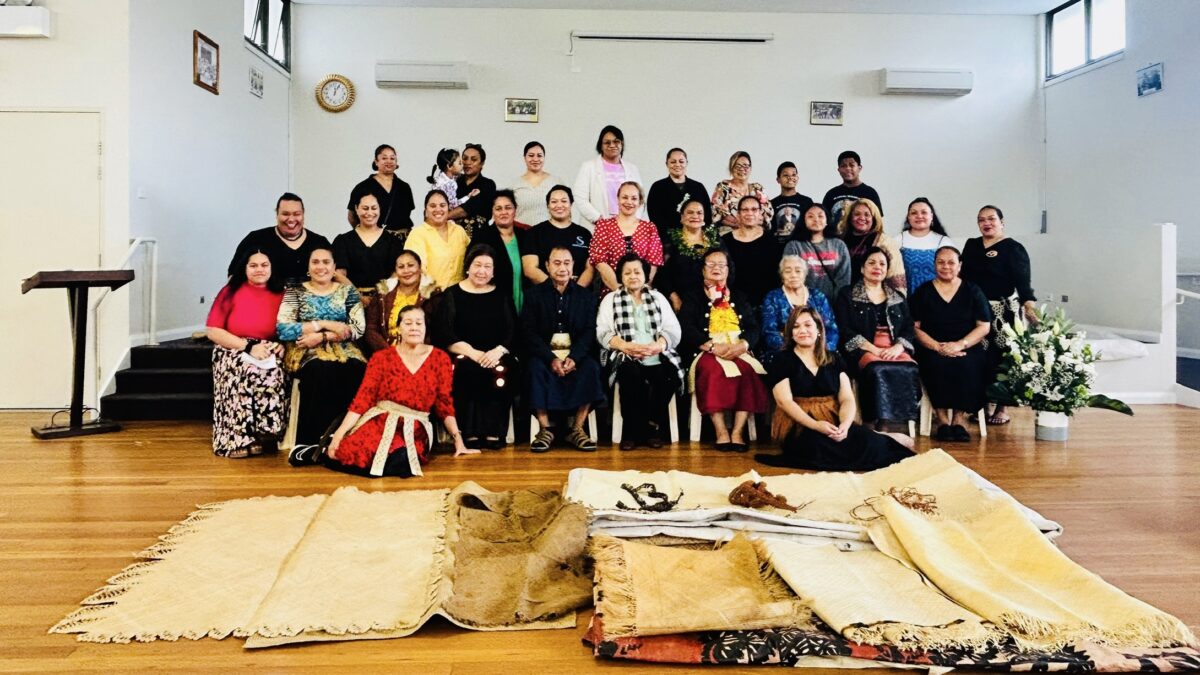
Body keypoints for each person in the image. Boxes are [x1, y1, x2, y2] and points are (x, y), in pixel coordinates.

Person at [324, 305, 479, 478]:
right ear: (399, 328)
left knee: (401, 459)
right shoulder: (381, 358)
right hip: (379, 420)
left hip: (415, 425)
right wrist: (339, 434)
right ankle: (315, 451)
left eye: (419, 323)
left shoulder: (439, 358)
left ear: (425, 328)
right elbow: (362, 399)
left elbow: (444, 403)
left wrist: (458, 440)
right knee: (346, 453)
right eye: (408, 323)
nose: (414, 327)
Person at [755, 307, 913, 471]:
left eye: (808, 325)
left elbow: (847, 398)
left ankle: (882, 438)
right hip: (799, 423)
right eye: (796, 326)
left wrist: (845, 424)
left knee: (862, 443)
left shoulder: (834, 358)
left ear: (818, 329)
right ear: (790, 332)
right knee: (816, 449)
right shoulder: (782, 359)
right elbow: (784, 402)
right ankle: (878, 438)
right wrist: (816, 425)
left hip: (833, 416)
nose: (802, 330)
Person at [277, 247, 368, 465]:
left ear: (335, 267)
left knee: (357, 370)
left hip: (343, 348)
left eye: (326, 262)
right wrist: (325, 324)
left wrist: (322, 336)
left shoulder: (347, 292)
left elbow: (356, 329)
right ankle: (309, 444)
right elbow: (283, 329)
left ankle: (344, 441)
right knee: (320, 371)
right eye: (315, 262)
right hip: (305, 349)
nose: (321, 267)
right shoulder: (295, 292)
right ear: (308, 268)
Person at [678, 249, 768, 451]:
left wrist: (742, 345)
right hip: (707, 349)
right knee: (712, 371)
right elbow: (686, 328)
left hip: (738, 347)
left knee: (749, 372)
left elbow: (754, 327)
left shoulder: (739, 295)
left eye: (721, 264)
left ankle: (737, 431)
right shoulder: (693, 297)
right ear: (702, 270)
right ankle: (721, 431)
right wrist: (711, 346)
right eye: (711, 264)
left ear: (729, 270)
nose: (716, 268)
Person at [432, 244, 518, 449]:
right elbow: (443, 332)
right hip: (463, 353)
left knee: (501, 372)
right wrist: (472, 352)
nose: (482, 271)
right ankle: (468, 432)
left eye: (488, 267)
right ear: (468, 267)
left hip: (496, 354)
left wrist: (498, 351)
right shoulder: (452, 294)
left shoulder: (502, 294)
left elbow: (513, 331)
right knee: (466, 371)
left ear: (494, 271)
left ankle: (494, 431)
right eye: (477, 265)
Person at [960, 204, 1037, 426]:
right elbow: (963, 277)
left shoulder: (1014, 248)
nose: (987, 223)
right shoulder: (972, 245)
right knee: (978, 356)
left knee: (1003, 358)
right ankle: (981, 406)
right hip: (975, 309)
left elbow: (1024, 283)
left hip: (1003, 312)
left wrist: (1029, 307)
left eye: (991, 219)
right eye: (982, 219)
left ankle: (1002, 407)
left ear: (1002, 222)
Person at [205, 249, 287, 458]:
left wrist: (282, 344)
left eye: (264, 265)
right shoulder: (229, 291)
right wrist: (247, 347)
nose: (259, 269)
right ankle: (236, 439)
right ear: (245, 268)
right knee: (241, 372)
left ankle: (265, 434)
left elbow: (290, 326)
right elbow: (213, 331)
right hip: (234, 345)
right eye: (253, 265)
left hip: (268, 346)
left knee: (272, 371)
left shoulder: (283, 293)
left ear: (271, 268)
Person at [597, 255, 684, 451]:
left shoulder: (658, 298)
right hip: (626, 354)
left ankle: (652, 425)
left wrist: (658, 345)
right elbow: (602, 332)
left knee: (669, 376)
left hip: (656, 353)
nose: (633, 276)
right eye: (627, 273)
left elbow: (674, 330)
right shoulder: (610, 299)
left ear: (646, 275)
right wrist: (624, 346)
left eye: (637, 272)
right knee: (630, 374)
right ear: (620, 276)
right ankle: (632, 429)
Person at [522, 247, 605, 453]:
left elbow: (589, 332)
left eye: (567, 263)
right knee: (533, 369)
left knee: (591, 369)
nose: (562, 268)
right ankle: (545, 430)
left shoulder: (586, 297)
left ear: (573, 266)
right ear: (547, 266)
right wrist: (550, 358)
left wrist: (574, 358)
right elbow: (529, 332)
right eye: (557, 263)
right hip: (545, 354)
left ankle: (577, 428)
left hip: (574, 355)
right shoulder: (533, 296)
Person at [911, 246, 993, 442]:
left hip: (966, 346)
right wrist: (937, 347)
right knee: (936, 364)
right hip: (932, 346)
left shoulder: (973, 290)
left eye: (951, 262)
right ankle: (942, 421)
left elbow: (984, 326)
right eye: (940, 262)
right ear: (934, 265)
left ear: (959, 265)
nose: (945, 266)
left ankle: (959, 420)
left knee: (969, 365)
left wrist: (959, 344)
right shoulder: (923, 291)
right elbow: (914, 327)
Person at [833, 247, 920, 430]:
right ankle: (871, 421)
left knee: (909, 368)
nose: (877, 267)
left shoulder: (897, 296)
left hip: (894, 347)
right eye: (871, 263)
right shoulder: (847, 294)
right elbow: (845, 328)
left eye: (882, 264)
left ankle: (888, 422)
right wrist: (874, 350)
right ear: (862, 268)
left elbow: (908, 327)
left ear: (887, 269)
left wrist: (898, 347)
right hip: (863, 348)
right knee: (876, 369)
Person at [228, 193, 331, 287]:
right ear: (277, 214)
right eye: (285, 214)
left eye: (296, 214)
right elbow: (234, 277)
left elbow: (334, 277)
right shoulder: (255, 239)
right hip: (266, 304)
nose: (291, 219)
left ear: (303, 214)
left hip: (311, 305)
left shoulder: (320, 243)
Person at [759, 254, 839, 368]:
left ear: (805, 274)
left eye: (798, 271)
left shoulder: (818, 296)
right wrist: (798, 352)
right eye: (788, 271)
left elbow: (831, 329)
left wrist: (820, 349)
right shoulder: (773, 297)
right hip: (784, 353)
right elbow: (769, 332)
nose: (793, 275)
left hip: (819, 351)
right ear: (782, 276)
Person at [588, 181, 664, 294]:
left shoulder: (649, 228)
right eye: (624, 197)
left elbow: (653, 263)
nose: (629, 202)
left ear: (640, 202)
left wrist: (640, 290)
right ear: (617, 200)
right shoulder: (603, 225)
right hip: (611, 291)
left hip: (642, 292)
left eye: (634, 198)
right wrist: (620, 292)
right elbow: (599, 261)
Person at [363, 250, 441, 355]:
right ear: (395, 271)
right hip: (386, 353)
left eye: (411, 265)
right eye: (401, 267)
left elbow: (436, 332)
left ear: (420, 267)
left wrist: (416, 352)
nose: (406, 270)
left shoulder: (433, 295)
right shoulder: (383, 293)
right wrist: (390, 353)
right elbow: (371, 329)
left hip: (421, 354)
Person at [332, 192, 405, 302]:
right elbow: (338, 274)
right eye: (365, 208)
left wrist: (379, 297)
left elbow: (396, 273)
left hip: (384, 300)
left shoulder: (392, 240)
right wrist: (358, 297)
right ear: (356, 209)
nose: (369, 213)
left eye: (374, 208)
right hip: (350, 302)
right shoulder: (343, 240)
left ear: (380, 209)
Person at [521, 185, 594, 287]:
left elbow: (590, 269)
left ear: (571, 204)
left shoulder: (584, 234)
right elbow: (530, 269)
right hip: (545, 295)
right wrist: (557, 290)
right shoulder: (535, 233)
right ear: (548, 206)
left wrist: (576, 292)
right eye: (554, 202)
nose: (559, 205)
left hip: (578, 296)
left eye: (564, 201)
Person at [572, 125, 643, 229]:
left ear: (622, 144)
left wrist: (632, 221)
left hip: (626, 226)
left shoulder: (632, 169)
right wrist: (599, 219)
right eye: (607, 142)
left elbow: (640, 199)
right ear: (600, 145)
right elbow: (580, 197)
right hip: (597, 225)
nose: (612, 145)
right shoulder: (588, 167)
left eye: (616, 141)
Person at [659, 198, 722, 311]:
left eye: (699, 213)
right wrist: (674, 297)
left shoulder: (715, 238)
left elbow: (727, 267)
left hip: (713, 297)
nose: (695, 216)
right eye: (690, 212)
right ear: (682, 217)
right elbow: (662, 274)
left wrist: (719, 293)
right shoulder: (670, 240)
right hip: (681, 300)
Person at [470, 189, 527, 313]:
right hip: (493, 306)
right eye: (498, 208)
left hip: (525, 306)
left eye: (508, 208)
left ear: (515, 210)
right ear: (492, 212)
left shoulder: (525, 236)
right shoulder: (482, 237)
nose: (504, 212)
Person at [721, 195, 783, 307]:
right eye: (745, 210)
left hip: (767, 304)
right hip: (735, 304)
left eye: (754, 209)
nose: (750, 213)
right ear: (738, 215)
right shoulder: (725, 241)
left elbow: (778, 275)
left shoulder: (772, 241)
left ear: (760, 214)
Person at [783, 203, 852, 301]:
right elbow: (790, 277)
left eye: (820, 216)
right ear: (804, 220)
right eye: (810, 216)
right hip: (803, 304)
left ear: (827, 220)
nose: (816, 219)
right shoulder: (794, 246)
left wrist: (836, 303)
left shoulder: (839, 245)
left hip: (834, 304)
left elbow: (844, 278)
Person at [404, 190, 471, 290]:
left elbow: (472, 260)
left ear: (448, 208)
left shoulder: (459, 231)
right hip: (432, 297)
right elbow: (414, 271)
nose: (438, 209)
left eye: (442, 205)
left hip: (460, 295)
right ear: (426, 211)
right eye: (433, 206)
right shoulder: (417, 234)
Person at [837, 198, 906, 293]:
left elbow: (896, 274)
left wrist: (898, 301)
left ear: (874, 218)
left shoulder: (885, 242)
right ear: (849, 217)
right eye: (857, 214)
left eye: (867, 215)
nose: (861, 218)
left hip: (874, 298)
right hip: (843, 297)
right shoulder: (839, 240)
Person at [346, 144, 416, 237]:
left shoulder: (404, 187)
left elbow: (407, 214)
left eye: (392, 158)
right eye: (384, 158)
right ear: (376, 162)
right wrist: (364, 235)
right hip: (376, 240)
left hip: (403, 241)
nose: (389, 161)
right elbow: (352, 217)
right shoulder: (363, 187)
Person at [646, 147, 711, 239]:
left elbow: (707, 214)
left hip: (696, 238)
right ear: (667, 164)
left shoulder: (698, 187)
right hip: (668, 239)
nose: (677, 165)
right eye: (673, 162)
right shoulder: (658, 187)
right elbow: (655, 217)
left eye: (681, 161)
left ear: (686, 163)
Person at [897, 197, 957, 297]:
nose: (919, 216)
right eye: (914, 213)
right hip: (906, 300)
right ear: (908, 217)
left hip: (937, 299)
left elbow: (954, 275)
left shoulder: (944, 242)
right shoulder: (898, 240)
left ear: (932, 216)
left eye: (924, 212)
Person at [711, 151, 773, 233]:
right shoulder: (723, 187)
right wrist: (741, 223)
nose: (742, 169)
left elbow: (767, 213)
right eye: (737, 166)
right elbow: (715, 212)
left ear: (750, 168)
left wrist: (749, 224)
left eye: (745, 166)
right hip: (730, 234)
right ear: (731, 168)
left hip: (755, 233)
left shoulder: (758, 188)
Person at [447, 143, 497, 238]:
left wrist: (442, 217)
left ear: (482, 163)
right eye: (465, 158)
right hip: (452, 237)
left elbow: (468, 208)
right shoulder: (452, 182)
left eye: (473, 159)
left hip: (479, 237)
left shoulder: (488, 184)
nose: (468, 162)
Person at [822, 150, 884, 226]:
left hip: (862, 237)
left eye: (852, 165)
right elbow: (823, 221)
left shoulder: (870, 193)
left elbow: (878, 222)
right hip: (836, 236)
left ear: (859, 168)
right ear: (839, 170)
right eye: (843, 166)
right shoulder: (831, 194)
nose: (848, 168)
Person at [511, 141, 561, 227]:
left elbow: (565, 211)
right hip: (522, 233)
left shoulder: (556, 182)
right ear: (524, 158)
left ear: (544, 158)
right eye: (531, 155)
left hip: (548, 233)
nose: (535, 159)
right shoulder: (515, 184)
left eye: (539, 155)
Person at [769, 161, 814, 244]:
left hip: (801, 249)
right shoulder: (771, 203)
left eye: (793, 175)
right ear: (778, 179)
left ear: (797, 178)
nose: (790, 177)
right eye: (785, 175)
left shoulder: (807, 201)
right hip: (777, 249)